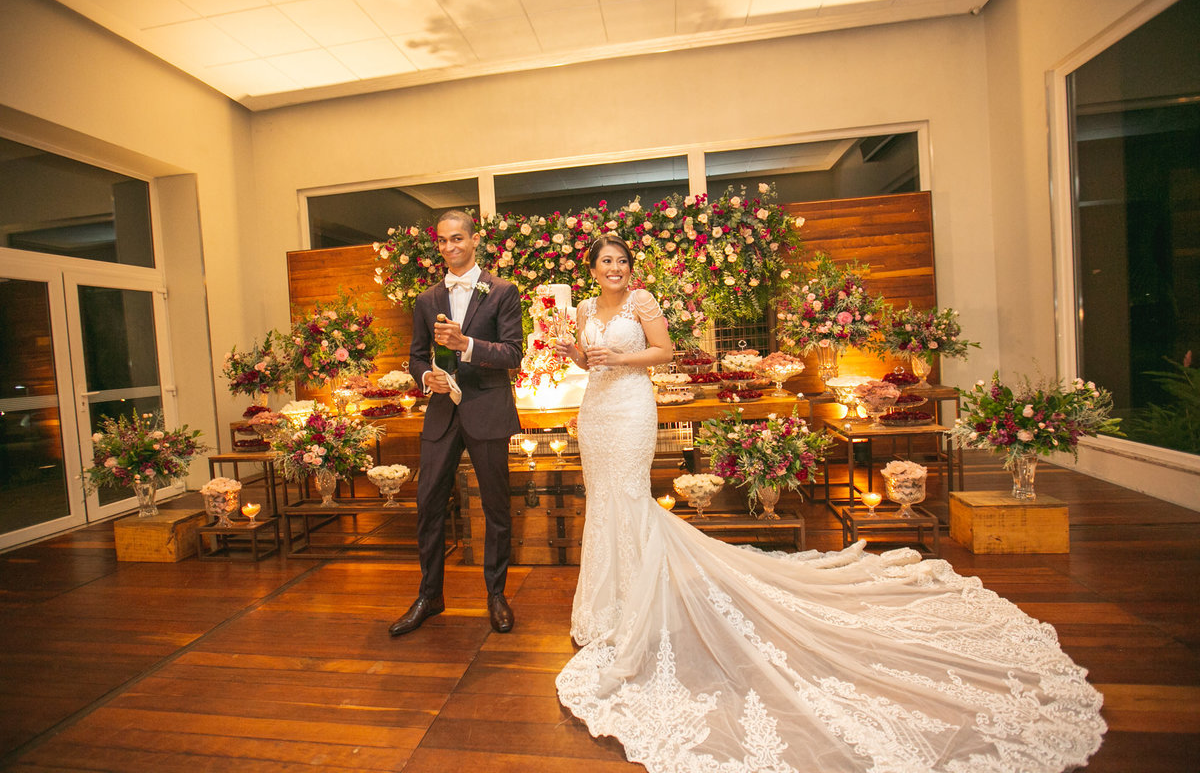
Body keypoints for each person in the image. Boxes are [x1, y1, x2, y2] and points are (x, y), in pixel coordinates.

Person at [553, 234, 1106, 772]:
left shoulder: (643, 301)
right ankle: (610, 606)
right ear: (593, 269)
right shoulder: (583, 308)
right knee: (604, 500)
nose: (614, 268)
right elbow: (586, 363)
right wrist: (575, 352)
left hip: (631, 408)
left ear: (630, 267)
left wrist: (619, 359)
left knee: (631, 496)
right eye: (605, 261)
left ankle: (642, 599)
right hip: (595, 411)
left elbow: (664, 352)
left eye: (621, 260)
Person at [390, 209, 524, 637]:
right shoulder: (427, 299)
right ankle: (430, 596)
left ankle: (496, 595)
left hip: (487, 409)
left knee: (495, 508)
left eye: (457, 238)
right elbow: (415, 355)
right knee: (428, 503)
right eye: (443, 241)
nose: (450, 247)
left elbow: (513, 354)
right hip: (442, 413)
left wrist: (467, 344)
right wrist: (424, 377)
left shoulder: (502, 291)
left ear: (474, 240)